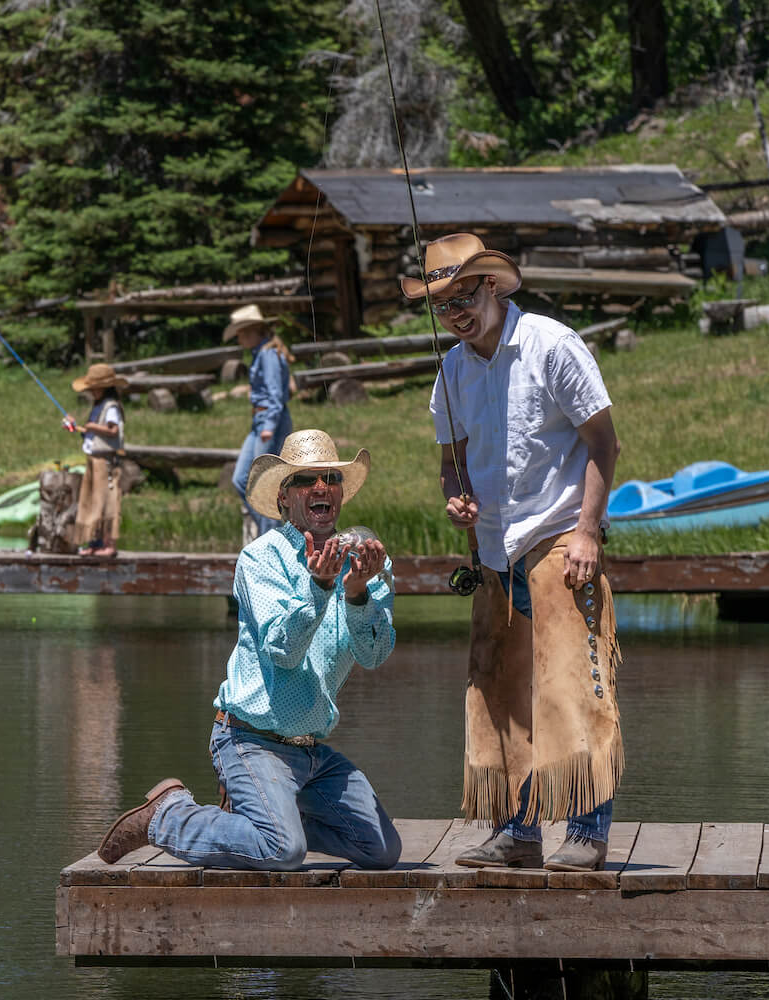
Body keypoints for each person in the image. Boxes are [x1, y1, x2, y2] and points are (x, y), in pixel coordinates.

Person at [405, 233, 623, 872]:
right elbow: (452, 460)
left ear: (493, 287)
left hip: (558, 537)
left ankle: (586, 831)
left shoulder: (553, 346)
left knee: (573, 685)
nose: (456, 314)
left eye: (463, 297)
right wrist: (457, 497)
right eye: (442, 306)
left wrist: (588, 531)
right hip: (495, 552)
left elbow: (604, 444)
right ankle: (518, 831)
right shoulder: (451, 371)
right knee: (500, 691)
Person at [96, 429, 401, 871]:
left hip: (311, 749)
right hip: (249, 740)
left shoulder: (368, 562)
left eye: (331, 477)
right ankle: (167, 815)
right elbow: (283, 650)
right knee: (283, 851)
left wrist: (356, 595)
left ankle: (265, 820)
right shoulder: (261, 558)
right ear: (284, 497)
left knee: (382, 850)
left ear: (340, 493)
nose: (321, 488)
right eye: (305, 480)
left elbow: (375, 655)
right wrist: (319, 587)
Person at [225, 304, 294, 542]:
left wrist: (269, 426)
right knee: (242, 478)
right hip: (259, 420)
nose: (240, 337)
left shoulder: (268, 355)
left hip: (268, 421)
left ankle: (271, 536)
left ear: (256, 330)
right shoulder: (260, 353)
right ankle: (272, 531)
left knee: (264, 481)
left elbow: (276, 394)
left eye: (243, 332)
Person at [66, 363, 128, 557]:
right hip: (93, 460)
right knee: (92, 502)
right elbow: (93, 433)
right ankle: (94, 543)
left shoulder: (111, 407)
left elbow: (112, 430)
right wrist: (78, 428)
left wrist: (92, 427)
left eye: (94, 387)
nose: (92, 391)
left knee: (107, 503)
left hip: (106, 462)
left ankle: (109, 546)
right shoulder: (98, 406)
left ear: (104, 387)